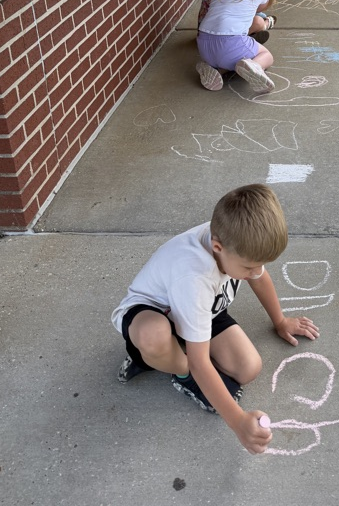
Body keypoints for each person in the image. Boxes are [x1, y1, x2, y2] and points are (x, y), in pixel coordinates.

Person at [112, 183, 319, 455]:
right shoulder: (194, 277)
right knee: (157, 339)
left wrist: (280, 321)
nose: (255, 272)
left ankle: (175, 351)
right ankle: (167, 367)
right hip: (152, 313)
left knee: (249, 368)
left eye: (259, 264)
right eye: (248, 266)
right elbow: (200, 363)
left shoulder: (237, 240)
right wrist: (238, 422)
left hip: (205, 309)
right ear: (218, 247)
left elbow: (260, 278)